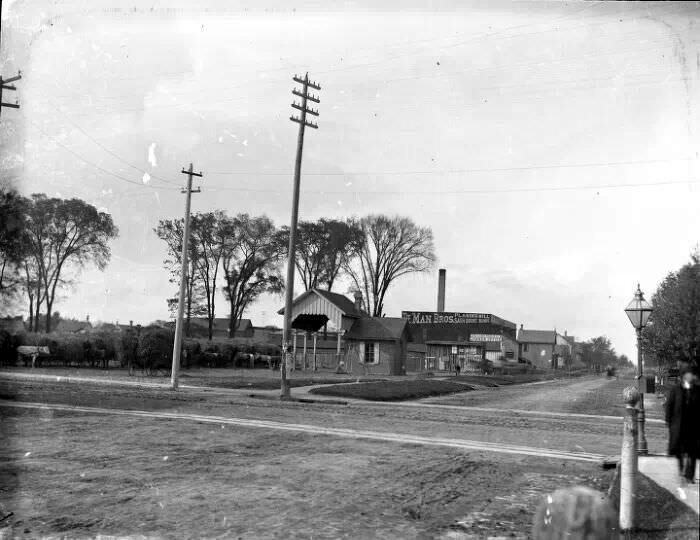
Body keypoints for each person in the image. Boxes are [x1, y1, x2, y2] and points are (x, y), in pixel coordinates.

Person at [665, 364, 700, 484]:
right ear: (684, 376)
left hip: (693, 426)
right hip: (679, 426)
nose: (690, 376)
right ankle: (681, 471)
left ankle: (690, 476)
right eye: (688, 374)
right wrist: (669, 422)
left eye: (692, 374)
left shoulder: (697, 390)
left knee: (693, 452)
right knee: (679, 450)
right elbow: (669, 406)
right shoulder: (676, 390)